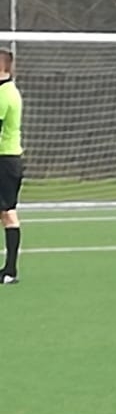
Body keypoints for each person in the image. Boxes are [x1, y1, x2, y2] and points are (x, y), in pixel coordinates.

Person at [0, 49, 23, 285]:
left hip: (4, 161)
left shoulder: (4, 94)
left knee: (7, 213)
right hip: (9, 160)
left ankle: (10, 270)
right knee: (6, 213)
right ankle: (9, 269)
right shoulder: (7, 91)